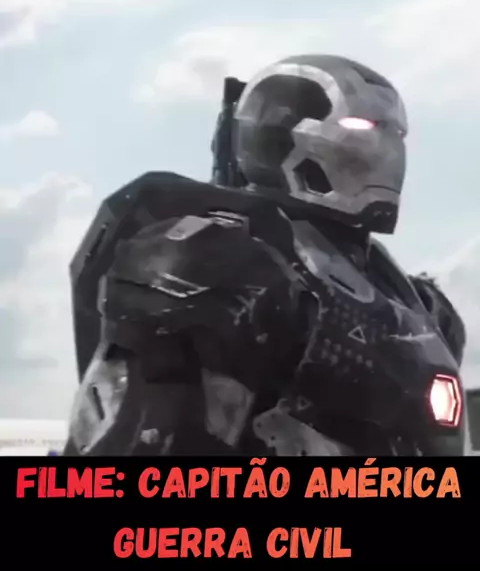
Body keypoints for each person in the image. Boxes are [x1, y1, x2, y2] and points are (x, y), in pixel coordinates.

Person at [64, 54, 466, 456]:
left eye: (396, 132)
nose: (385, 146)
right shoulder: (217, 257)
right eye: (361, 126)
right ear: (283, 133)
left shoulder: (417, 303)